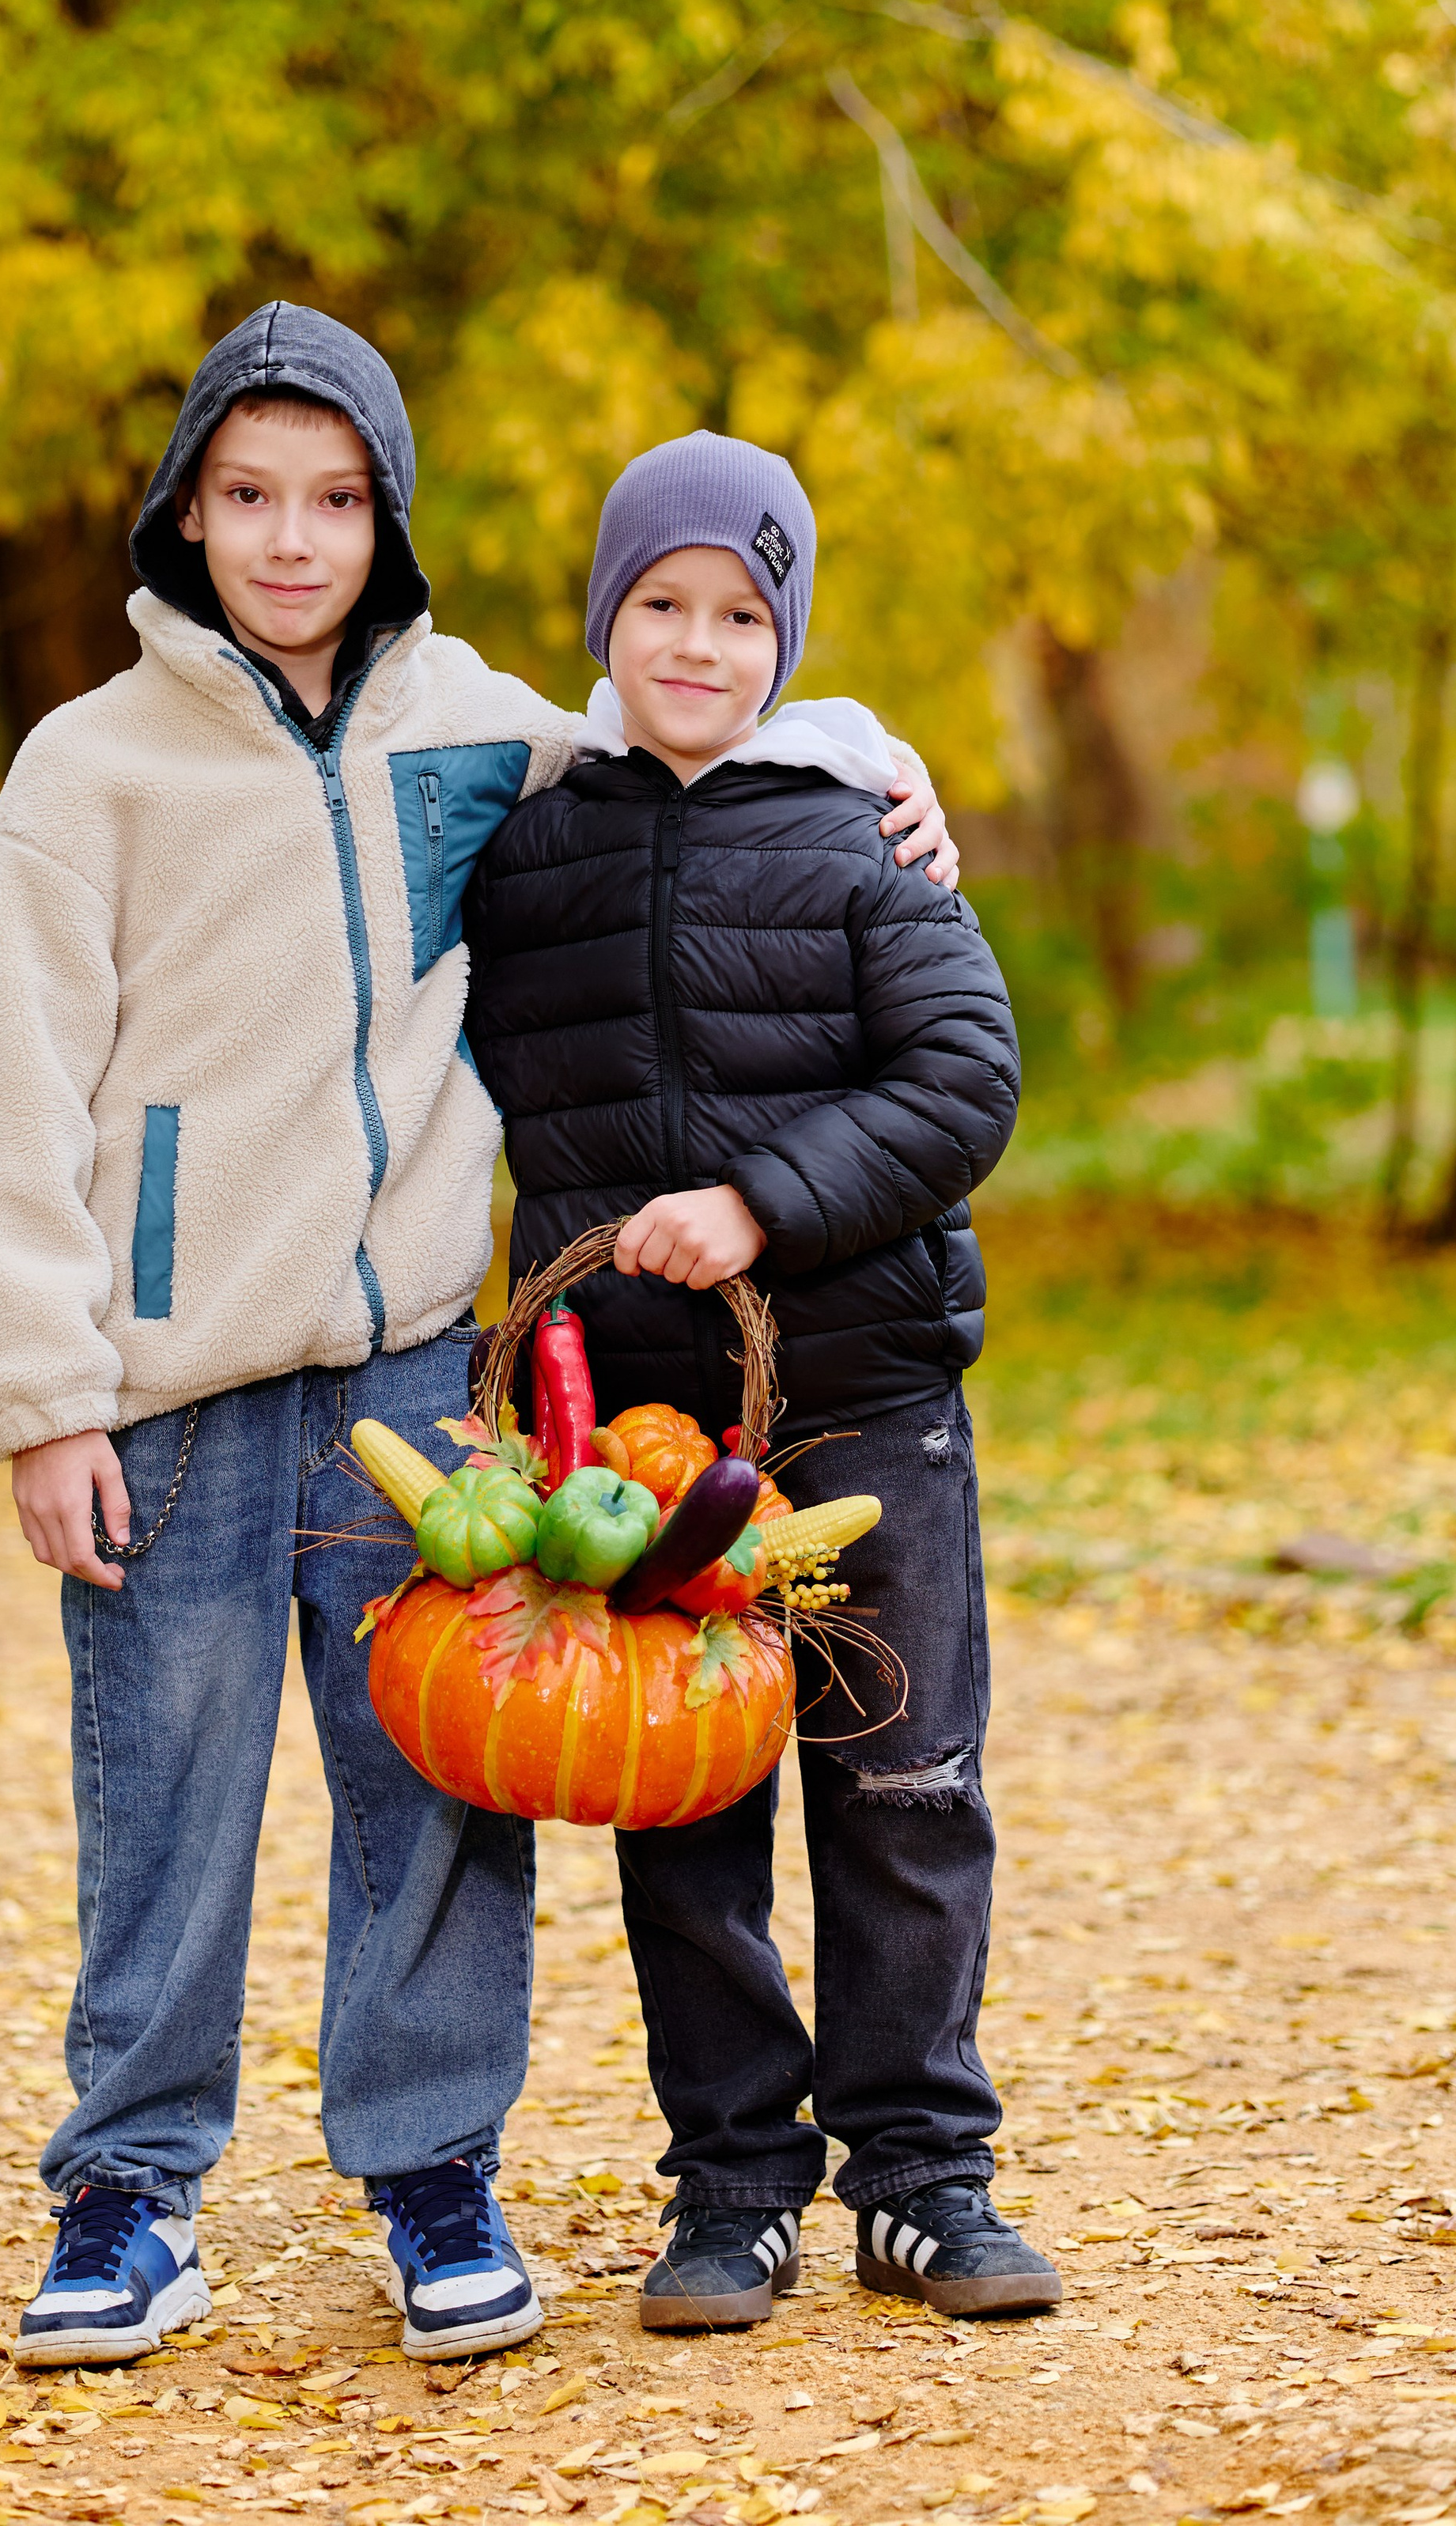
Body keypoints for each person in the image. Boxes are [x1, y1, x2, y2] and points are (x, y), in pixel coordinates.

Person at [0, 305, 958, 2369]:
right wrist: (45, 1396)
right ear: (188, 512)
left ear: (386, 517)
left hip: (415, 1369)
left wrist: (873, 762)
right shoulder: (89, 769)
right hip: (174, 1384)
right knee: (169, 1796)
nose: (291, 540)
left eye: (333, 500)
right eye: (250, 497)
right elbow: (13, 1097)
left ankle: (432, 2170)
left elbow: (688, 723)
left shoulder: (470, 721)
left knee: (438, 1793)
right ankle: (129, 2195)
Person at [462, 430, 1061, 2328]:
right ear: (604, 618)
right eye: (661, 606)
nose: (698, 646)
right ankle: (730, 2186)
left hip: (862, 1391)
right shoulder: (527, 841)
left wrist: (756, 1203)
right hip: (633, 1436)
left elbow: (964, 1079)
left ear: (785, 635)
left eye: (740, 613)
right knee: (682, 1804)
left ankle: (920, 2176)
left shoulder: (855, 829)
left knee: (899, 1784)